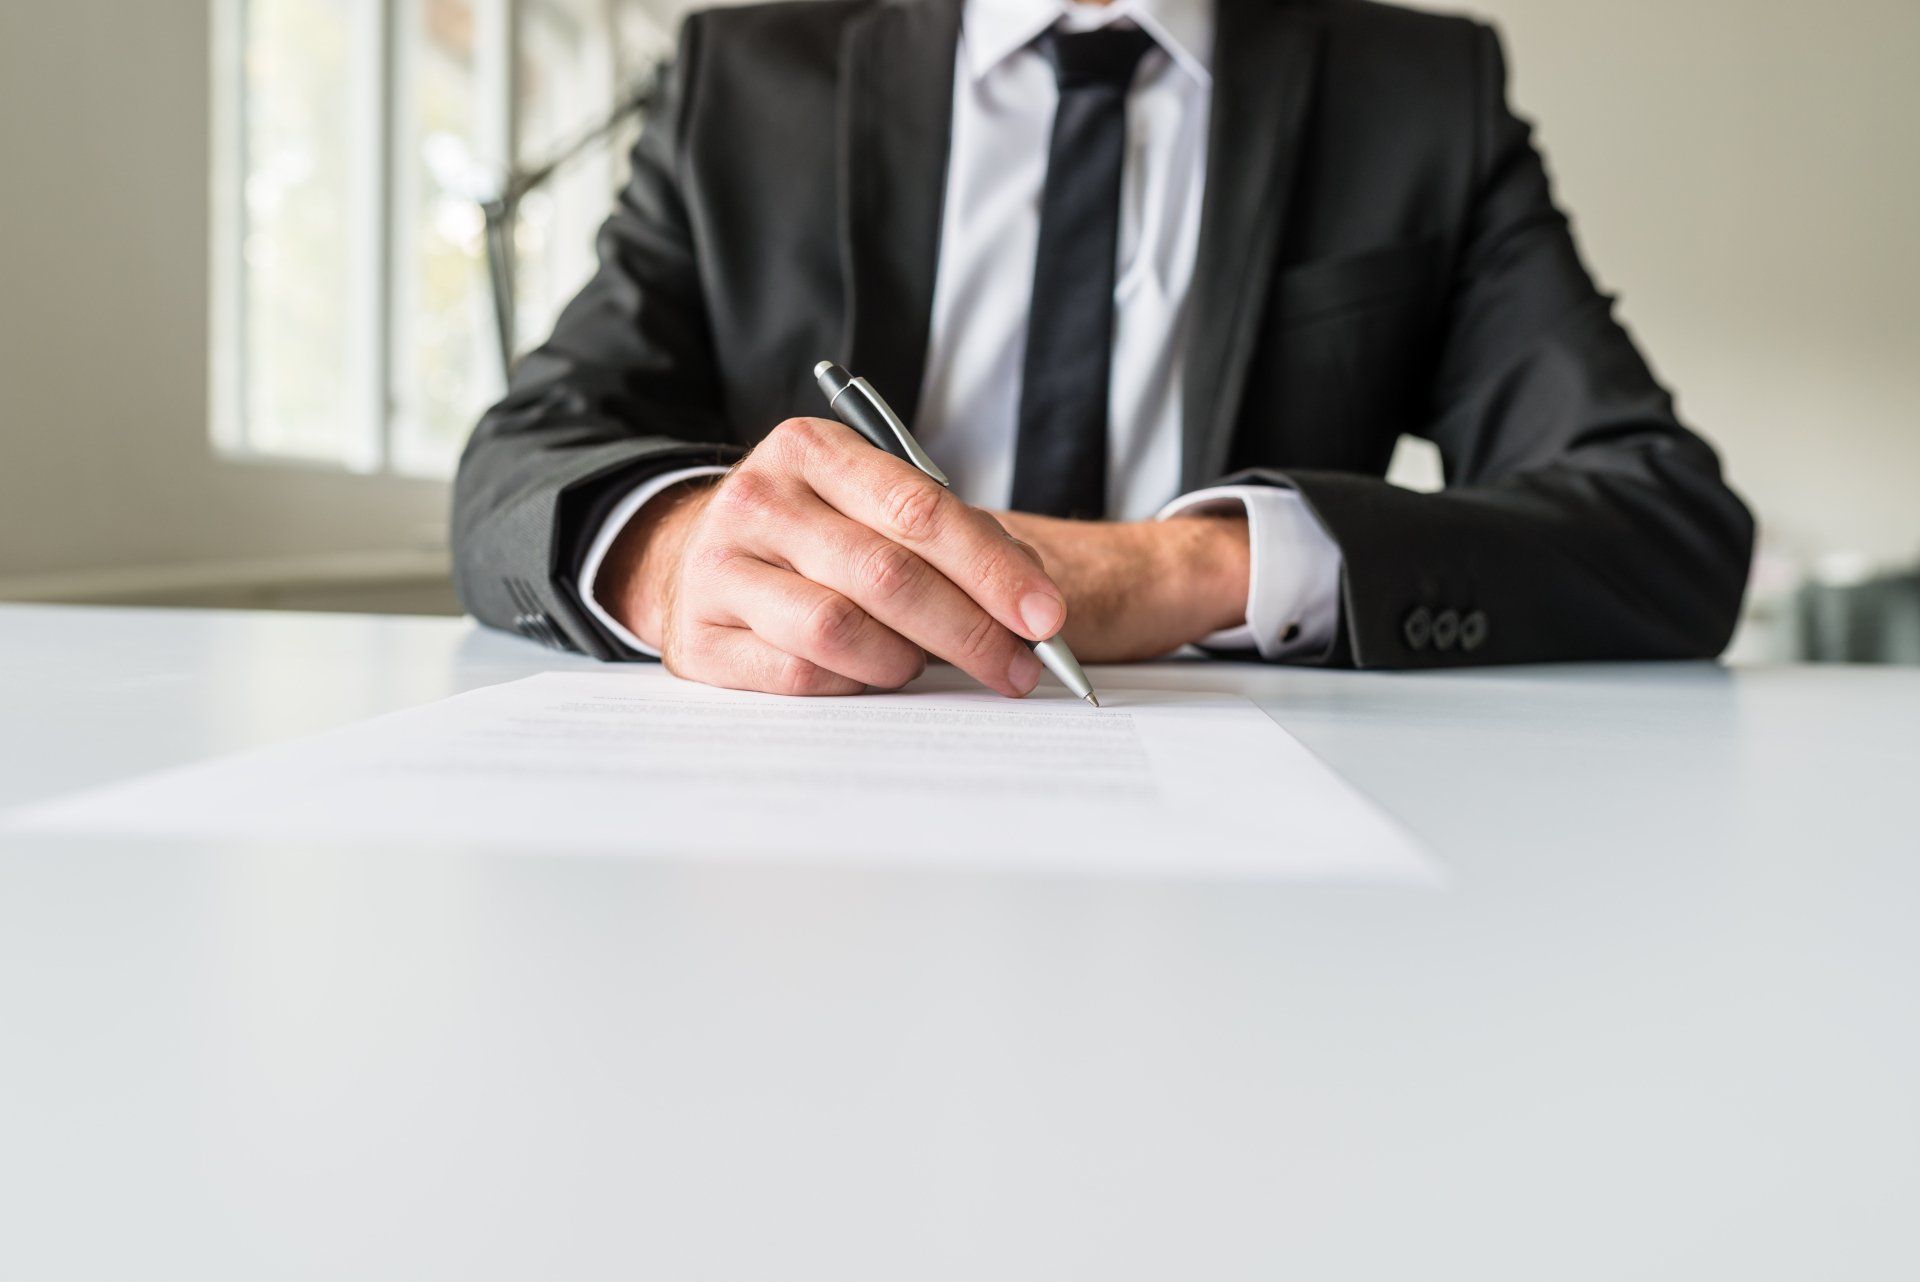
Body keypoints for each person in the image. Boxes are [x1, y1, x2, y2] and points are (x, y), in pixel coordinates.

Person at [452, 0, 1754, 698]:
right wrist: (686, 553)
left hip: (1244, 860)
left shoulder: (1419, 95)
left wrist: (1189, 567)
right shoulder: (742, 77)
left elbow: (1666, 526)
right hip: (810, 827)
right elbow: (520, 464)